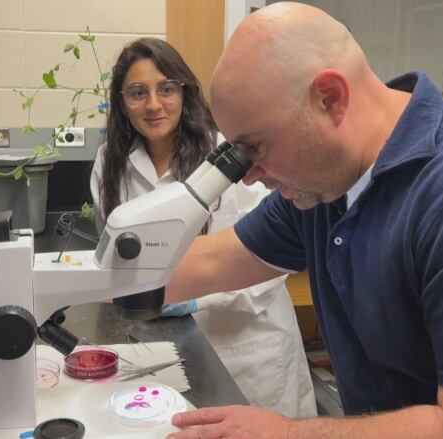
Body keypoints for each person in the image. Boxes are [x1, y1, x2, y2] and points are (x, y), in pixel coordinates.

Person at [163, 3, 443, 439]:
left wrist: (288, 434)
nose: (249, 174)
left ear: (330, 98)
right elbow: (213, 260)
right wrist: (91, 280)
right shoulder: (323, 185)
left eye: (255, 147)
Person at [90, 37, 317, 419]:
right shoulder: (109, 163)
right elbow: (116, 252)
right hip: (163, 341)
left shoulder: (228, 159)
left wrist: (197, 298)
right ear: (120, 100)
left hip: (248, 343)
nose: (153, 105)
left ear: (185, 91)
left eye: (166, 89)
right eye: (137, 92)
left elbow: (270, 263)